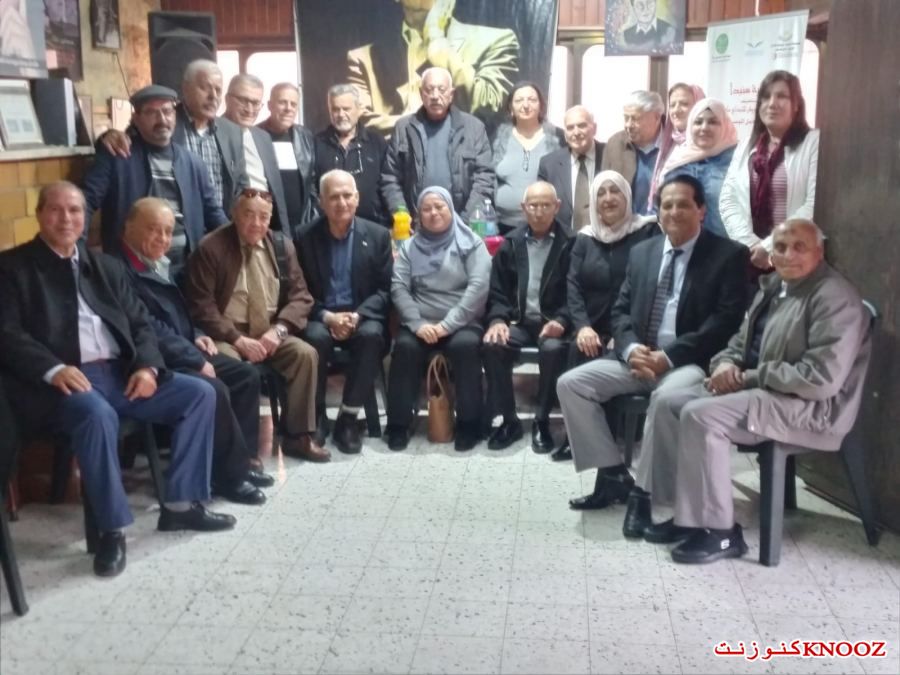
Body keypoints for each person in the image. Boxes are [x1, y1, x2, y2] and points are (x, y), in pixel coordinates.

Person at [0, 182, 236, 579]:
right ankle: (112, 530)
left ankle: (181, 506)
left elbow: (140, 324)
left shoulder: (105, 267)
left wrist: (147, 367)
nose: (66, 219)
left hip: (120, 374)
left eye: (75, 210)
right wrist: (53, 368)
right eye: (56, 210)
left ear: (85, 217)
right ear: (39, 214)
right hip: (60, 383)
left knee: (199, 393)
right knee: (97, 416)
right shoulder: (13, 268)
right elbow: (7, 333)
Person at [628, 219, 870, 564]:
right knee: (668, 402)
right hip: (761, 389)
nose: (788, 255)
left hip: (810, 406)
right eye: (780, 247)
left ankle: (721, 531)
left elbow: (820, 379)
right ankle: (683, 513)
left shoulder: (833, 298)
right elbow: (740, 341)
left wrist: (748, 378)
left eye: (799, 247)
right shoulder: (775, 286)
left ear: (819, 252)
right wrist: (724, 364)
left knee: (702, 415)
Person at [556, 174, 748, 510]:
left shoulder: (728, 256)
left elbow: (724, 323)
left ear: (701, 210)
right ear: (657, 212)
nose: (673, 212)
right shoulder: (643, 252)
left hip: (689, 363)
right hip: (638, 359)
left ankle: (644, 496)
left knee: (664, 399)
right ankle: (613, 475)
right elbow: (620, 311)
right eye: (666, 205)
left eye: (683, 205)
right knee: (571, 384)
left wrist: (668, 357)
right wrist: (631, 349)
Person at [118, 197, 274, 505]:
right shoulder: (121, 271)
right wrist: (193, 357)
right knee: (214, 387)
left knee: (245, 375)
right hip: (152, 361)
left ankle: (240, 462)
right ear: (128, 228)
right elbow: (148, 328)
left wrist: (198, 335)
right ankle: (229, 477)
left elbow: (182, 311)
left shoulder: (157, 262)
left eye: (167, 231)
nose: (162, 238)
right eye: (153, 229)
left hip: (183, 347)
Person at [185, 188, 330, 463]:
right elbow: (202, 306)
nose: (256, 223)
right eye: (248, 215)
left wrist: (279, 330)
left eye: (264, 217)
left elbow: (301, 297)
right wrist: (237, 339)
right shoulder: (211, 247)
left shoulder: (281, 246)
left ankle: (297, 436)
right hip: (227, 333)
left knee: (305, 355)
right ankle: (240, 449)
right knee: (231, 366)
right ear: (234, 214)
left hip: (270, 330)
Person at [552, 170, 658, 462]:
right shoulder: (585, 238)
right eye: (601, 193)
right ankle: (577, 438)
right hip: (593, 324)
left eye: (615, 191)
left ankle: (618, 434)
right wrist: (583, 326)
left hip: (633, 326)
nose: (608, 198)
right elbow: (572, 286)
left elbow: (651, 287)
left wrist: (625, 335)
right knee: (580, 348)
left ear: (627, 196)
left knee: (619, 355)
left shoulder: (647, 232)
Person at [82, 85, 228, 280]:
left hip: (188, 268)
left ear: (175, 116)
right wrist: (76, 247)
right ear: (136, 119)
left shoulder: (193, 163)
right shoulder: (117, 157)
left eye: (167, 111)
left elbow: (213, 213)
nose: (162, 119)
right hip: (133, 271)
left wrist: (237, 244)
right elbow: (85, 202)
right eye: (151, 112)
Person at [386, 185, 491, 452]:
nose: (433, 213)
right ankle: (398, 424)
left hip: (463, 321)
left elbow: (478, 288)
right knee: (405, 347)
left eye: (439, 206)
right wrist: (417, 324)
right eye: (426, 208)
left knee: (465, 347)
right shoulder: (409, 247)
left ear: (451, 209)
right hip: (420, 322)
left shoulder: (471, 243)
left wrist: (447, 325)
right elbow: (399, 287)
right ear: (418, 215)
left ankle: (469, 424)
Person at [295, 170, 393, 454]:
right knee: (314, 339)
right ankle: (317, 418)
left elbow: (386, 290)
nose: (341, 202)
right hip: (320, 315)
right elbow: (298, 291)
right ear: (321, 202)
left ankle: (348, 419)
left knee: (372, 336)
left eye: (347, 195)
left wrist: (357, 316)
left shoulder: (377, 235)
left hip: (361, 315)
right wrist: (328, 317)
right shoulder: (304, 237)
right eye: (334, 197)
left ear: (357, 198)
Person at [482, 182, 571, 453]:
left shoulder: (572, 243)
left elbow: (576, 292)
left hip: (554, 323)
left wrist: (562, 321)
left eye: (546, 205)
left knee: (553, 349)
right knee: (493, 344)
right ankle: (509, 420)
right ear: (523, 208)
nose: (539, 211)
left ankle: (541, 420)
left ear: (557, 207)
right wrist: (497, 320)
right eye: (533, 205)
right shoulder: (511, 243)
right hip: (518, 322)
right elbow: (497, 291)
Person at [347, 0, 519, 137]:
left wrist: (437, 43)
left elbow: (486, 108)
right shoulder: (364, 58)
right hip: (396, 166)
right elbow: (357, 123)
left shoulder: (494, 40)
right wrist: (427, 127)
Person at [99, 60, 249, 217]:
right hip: (174, 224)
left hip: (218, 223)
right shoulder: (163, 123)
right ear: (185, 89)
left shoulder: (232, 132)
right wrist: (107, 136)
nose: (213, 96)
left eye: (218, 90)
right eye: (205, 88)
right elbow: (119, 141)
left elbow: (240, 185)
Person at [720, 70, 819, 276]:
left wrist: (770, 246)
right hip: (751, 258)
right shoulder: (747, 145)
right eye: (766, 97)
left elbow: (813, 203)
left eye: (781, 96)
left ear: (796, 105)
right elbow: (728, 200)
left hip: (795, 257)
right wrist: (751, 246)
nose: (772, 103)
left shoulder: (812, 142)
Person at [382, 66, 494, 222]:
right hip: (417, 224)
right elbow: (390, 177)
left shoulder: (474, 128)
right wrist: (402, 215)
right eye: (429, 90)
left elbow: (484, 178)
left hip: (462, 222)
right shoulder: (404, 128)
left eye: (441, 90)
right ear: (421, 94)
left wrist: (464, 221)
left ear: (451, 94)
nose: (435, 96)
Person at [657, 98, 738, 238]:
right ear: (690, 125)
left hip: (727, 245)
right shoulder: (677, 160)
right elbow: (662, 206)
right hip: (681, 244)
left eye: (713, 122)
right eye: (698, 122)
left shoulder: (738, 161)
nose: (704, 128)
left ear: (725, 125)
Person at [492, 82, 566, 233]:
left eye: (532, 100)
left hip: (546, 226)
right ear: (510, 108)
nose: (526, 105)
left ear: (541, 106)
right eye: (519, 100)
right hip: (502, 226)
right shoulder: (497, 137)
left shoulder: (559, 137)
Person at [223, 74, 292, 236]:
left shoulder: (262, 136)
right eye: (243, 100)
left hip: (265, 225)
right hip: (231, 228)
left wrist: (284, 235)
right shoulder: (214, 133)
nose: (249, 109)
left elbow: (277, 192)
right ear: (227, 99)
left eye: (255, 103)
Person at [314, 84, 390, 226]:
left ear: (358, 109)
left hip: (373, 227)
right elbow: (312, 189)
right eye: (335, 109)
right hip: (328, 229)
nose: (341, 114)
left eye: (346, 109)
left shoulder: (377, 142)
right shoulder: (316, 144)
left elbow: (388, 183)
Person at [258, 82, 320, 232]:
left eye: (293, 104)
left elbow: (311, 181)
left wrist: (313, 215)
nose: (288, 108)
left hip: (302, 226)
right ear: (270, 105)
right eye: (282, 102)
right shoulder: (255, 135)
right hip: (267, 225)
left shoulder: (305, 136)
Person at [537, 105, 605, 233]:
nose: (576, 132)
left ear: (594, 128)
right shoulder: (549, 164)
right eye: (570, 128)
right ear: (565, 134)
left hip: (604, 238)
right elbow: (542, 207)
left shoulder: (610, 155)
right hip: (563, 240)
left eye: (582, 126)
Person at [601, 90, 665, 216]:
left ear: (656, 117)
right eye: (626, 118)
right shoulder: (615, 144)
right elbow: (603, 190)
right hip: (625, 223)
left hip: (662, 223)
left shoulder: (673, 145)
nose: (628, 125)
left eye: (635, 119)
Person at [647, 82, 705, 213]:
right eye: (672, 105)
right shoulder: (669, 144)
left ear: (699, 107)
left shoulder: (706, 147)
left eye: (684, 104)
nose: (676, 110)